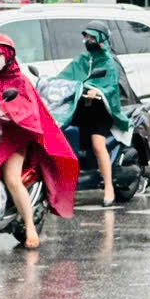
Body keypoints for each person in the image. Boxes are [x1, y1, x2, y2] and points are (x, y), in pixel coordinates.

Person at [0, 34, 78, 249]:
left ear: (8, 56)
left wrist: (7, 114)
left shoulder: (20, 82)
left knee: (12, 178)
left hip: (14, 138)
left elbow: (28, 114)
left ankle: (30, 227)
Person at [53, 21, 130, 207]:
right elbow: (66, 76)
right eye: (86, 37)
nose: (87, 40)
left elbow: (111, 86)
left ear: (101, 39)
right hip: (80, 107)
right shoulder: (82, 59)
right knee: (59, 132)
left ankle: (109, 187)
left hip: (100, 110)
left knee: (97, 144)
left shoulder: (108, 62)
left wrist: (97, 91)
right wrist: (52, 84)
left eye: (92, 37)